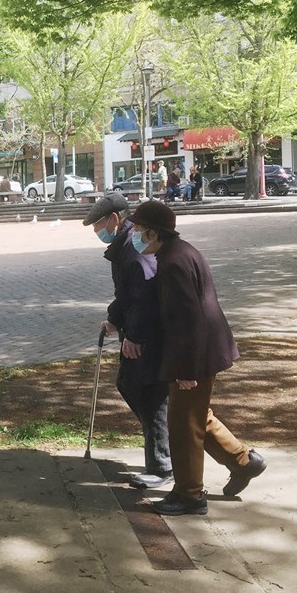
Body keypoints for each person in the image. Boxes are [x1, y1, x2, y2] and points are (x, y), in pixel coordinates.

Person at [127, 201, 267, 516]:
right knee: (195, 415)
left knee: (183, 424)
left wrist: (186, 369)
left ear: (153, 233)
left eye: (137, 228)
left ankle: (189, 494)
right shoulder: (177, 252)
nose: (133, 233)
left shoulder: (173, 262)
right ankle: (243, 461)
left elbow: (187, 320)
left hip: (196, 353)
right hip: (203, 348)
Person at [83, 192, 171, 489]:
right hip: (140, 331)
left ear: (113, 220)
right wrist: (114, 318)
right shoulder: (124, 246)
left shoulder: (134, 248)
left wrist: (134, 335)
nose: (97, 232)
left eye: (98, 226)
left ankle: (162, 465)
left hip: (147, 335)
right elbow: (126, 294)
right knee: (134, 387)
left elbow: (144, 297)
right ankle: (164, 451)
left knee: (149, 395)